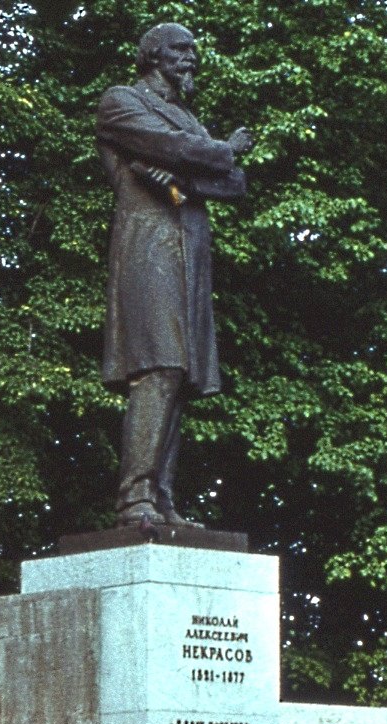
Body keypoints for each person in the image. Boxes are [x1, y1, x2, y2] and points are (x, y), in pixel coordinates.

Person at [96, 23, 252, 528]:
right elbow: (174, 147)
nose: (192, 59)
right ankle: (134, 498)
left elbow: (234, 184)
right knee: (157, 365)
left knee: (179, 375)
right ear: (153, 55)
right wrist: (221, 148)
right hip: (148, 248)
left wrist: (183, 176)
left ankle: (160, 500)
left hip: (189, 253)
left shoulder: (186, 118)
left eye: (193, 51)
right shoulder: (121, 101)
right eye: (182, 50)